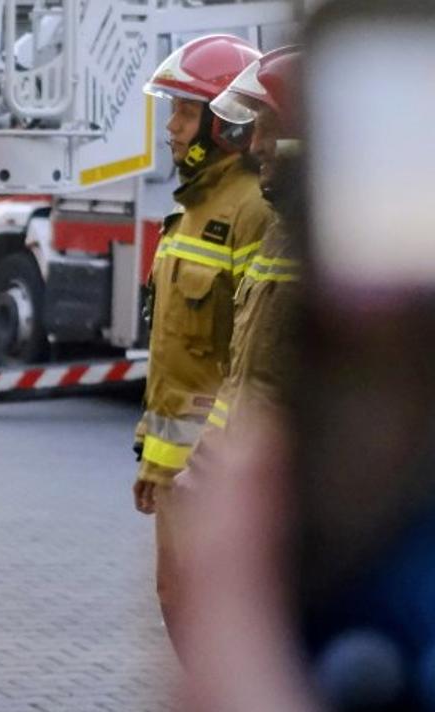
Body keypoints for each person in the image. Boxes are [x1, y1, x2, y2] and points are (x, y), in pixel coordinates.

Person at [132, 34, 271, 662]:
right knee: (177, 597)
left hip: (218, 467)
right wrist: (151, 455)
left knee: (213, 608)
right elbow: (172, 348)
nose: (171, 128)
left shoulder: (251, 211)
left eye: (184, 113)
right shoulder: (190, 208)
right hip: (176, 464)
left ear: (224, 126)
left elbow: (251, 352)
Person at [190, 47, 303, 453]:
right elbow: (243, 381)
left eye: (267, 129)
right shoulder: (281, 230)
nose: (254, 146)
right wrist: (206, 459)